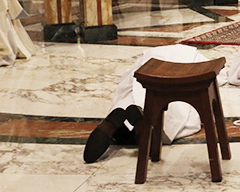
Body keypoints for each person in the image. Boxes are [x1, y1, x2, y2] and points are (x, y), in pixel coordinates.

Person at [83, 45, 226, 163]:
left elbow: (128, 74)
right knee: (176, 103)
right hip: (176, 70)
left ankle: (116, 117)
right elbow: (218, 76)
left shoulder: (150, 53)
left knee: (133, 91)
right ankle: (144, 125)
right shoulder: (195, 56)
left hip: (147, 66)